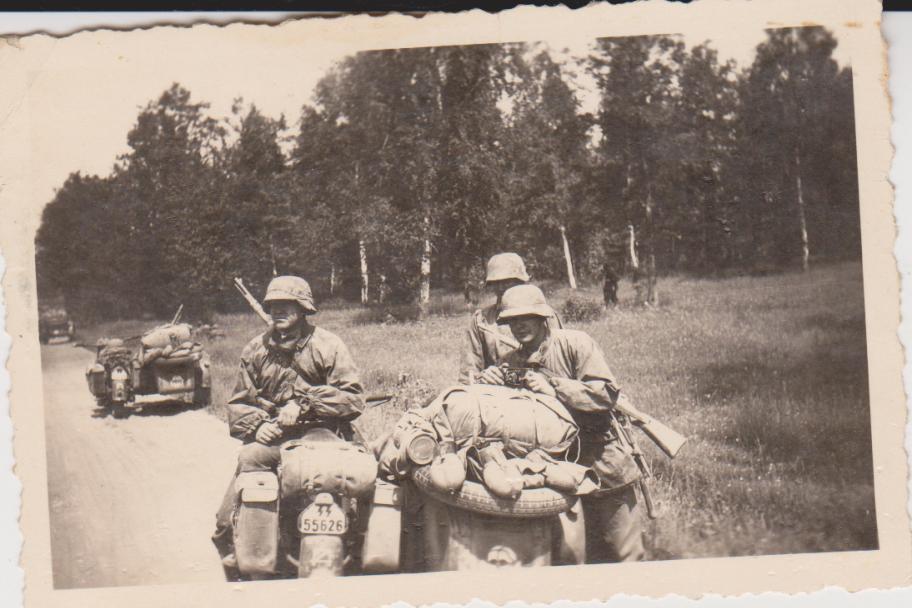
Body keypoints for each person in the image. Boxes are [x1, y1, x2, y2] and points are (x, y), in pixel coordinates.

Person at [211, 275, 365, 579]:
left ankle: (365, 559)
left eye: (287, 304)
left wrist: (306, 404)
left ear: (303, 308)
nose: (278, 310)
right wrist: (258, 426)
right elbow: (238, 405)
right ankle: (244, 558)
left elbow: (353, 398)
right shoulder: (255, 349)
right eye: (273, 304)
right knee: (227, 521)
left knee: (371, 485)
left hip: (328, 436)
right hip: (276, 441)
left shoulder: (328, 345)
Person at [478, 284, 645, 563]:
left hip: (602, 460)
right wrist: (488, 384)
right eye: (512, 320)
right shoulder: (511, 361)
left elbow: (606, 394)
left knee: (625, 554)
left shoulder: (574, 344)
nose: (519, 325)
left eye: (526, 317)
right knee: (572, 557)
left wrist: (554, 388)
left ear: (542, 317)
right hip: (557, 471)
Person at [459, 252, 561, 384]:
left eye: (507, 281)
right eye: (496, 282)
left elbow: (560, 359)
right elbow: (469, 374)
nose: (501, 287)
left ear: (522, 281)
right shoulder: (481, 321)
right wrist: (484, 377)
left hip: (545, 384)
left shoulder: (544, 313)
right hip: (499, 388)